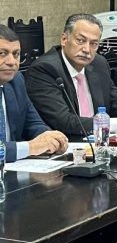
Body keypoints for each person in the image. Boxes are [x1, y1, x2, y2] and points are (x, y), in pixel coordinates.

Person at [25, 13, 117, 137]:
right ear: (64, 39)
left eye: (94, 44)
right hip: (67, 143)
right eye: (80, 41)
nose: (87, 49)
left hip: (101, 141)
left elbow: (116, 102)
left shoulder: (98, 63)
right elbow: (63, 121)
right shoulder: (44, 69)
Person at [0, 25, 68, 162]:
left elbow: (32, 123)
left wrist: (50, 138)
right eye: (2, 53)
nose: (12, 62)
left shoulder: (16, 80)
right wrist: (30, 147)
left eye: (16, 54)